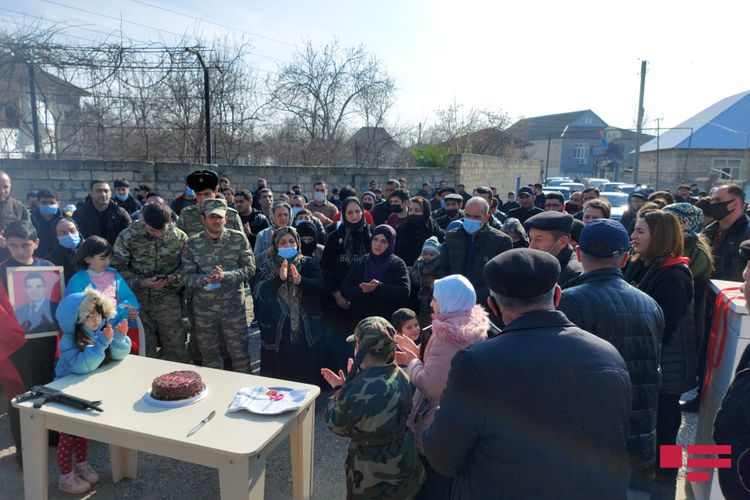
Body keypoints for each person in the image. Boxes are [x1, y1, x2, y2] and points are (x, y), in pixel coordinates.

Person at [425, 248, 631, 499]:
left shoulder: (477, 362)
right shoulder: (608, 354)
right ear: (557, 295)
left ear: (493, 306)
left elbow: (444, 457)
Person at [558, 219, 664, 489]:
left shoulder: (569, 300)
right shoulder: (650, 304)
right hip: (638, 430)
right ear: (625, 257)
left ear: (578, 252)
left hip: (586, 436)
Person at [396, 275, 488, 499]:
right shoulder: (471, 328)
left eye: (436, 299)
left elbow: (430, 385)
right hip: (458, 421)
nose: (431, 303)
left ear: (450, 301)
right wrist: (419, 357)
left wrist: (412, 361)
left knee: (430, 485)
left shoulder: (447, 336)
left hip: (435, 424)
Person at [624, 209, 695, 499]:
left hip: (666, 370)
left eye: (640, 231)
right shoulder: (642, 264)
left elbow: (666, 326)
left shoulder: (674, 274)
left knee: (666, 431)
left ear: (660, 236)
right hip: (650, 364)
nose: (633, 236)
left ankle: (666, 486)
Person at [322, 316, 425, 499]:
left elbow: (335, 423)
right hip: (403, 463)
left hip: (370, 473)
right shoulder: (401, 375)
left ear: (361, 351)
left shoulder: (358, 389)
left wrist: (341, 390)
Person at [53, 287, 131, 494]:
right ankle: (65, 476)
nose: (95, 319)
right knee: (68, 436)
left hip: (86, 392)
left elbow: (116, 357)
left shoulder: (100, 333)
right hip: (67, 395)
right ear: (76, 320)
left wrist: (119, 340)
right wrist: (100, 346)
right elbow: (80, 366)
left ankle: (82, 465)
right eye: (88, 316)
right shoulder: (69, 341)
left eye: (97, 313)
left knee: (83, 433)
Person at [181, 199, 255, 373]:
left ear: (226, 219)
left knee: (240, 355)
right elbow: (185, 277)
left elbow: (250, 269)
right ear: (203, 219)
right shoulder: (192, 243)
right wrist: (204, 279)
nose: (216, 220)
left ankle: (245, 387)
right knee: (209, 357)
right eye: (212, 217)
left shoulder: (238, 239)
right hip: (205, 310)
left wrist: (225, 276)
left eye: (219, 217)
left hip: (233, 308)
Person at [112, 203, 189, 362]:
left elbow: (189, 267)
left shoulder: (180, 237)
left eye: (162, 230)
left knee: (176, 347)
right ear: (143, 221)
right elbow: (116, 269)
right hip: (137, 303)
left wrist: (175, 279)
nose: (159, 235)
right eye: (153, 231)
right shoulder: (128, 236)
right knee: (143, 349)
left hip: (168, 302)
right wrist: (140, 282)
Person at [253, 226, 325, 384]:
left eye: (291, 241)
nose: (288, 245)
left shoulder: (309, 263)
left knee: (305, 377)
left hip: (305, 329)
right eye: (283, 242)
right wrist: (278, 280)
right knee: (279, 380)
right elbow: (260, 293)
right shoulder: (267, 266)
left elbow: (320, 285)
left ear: (298, 243)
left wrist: (301, 281)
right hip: (277, 331)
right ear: (276, 245)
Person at [320, 197, 372, 369]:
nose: (354, 215)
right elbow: (326, 269)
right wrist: (337, 295)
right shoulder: (334, 238)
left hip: (365, 300)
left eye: (357, 211)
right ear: (343, 214)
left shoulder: (371, 236)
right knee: (342, 347)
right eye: (350, 212)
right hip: (339, 301)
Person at [434, 197, 512, 308]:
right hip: (453, 302)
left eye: (476, 217)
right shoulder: (452, 236)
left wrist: (472, 297)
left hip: (485, 306)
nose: (471, 219)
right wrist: (452, 292)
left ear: (486, 217)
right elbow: (440, 269)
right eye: (468, 215)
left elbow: (500, 279)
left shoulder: (501, 241)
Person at [66, 236, 140, 351]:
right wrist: (121, 312)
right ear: (88, 259)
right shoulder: (77, 280)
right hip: (93, 337)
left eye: (109, 258)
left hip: (121, 331)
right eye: (103, 258)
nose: (107, 262)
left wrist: (131, 309)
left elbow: (128, 297)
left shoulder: (114, 275)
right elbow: (77, 311)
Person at [340, 224, 410, 324]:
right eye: (375, 239)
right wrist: (363, 290)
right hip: (361, 321)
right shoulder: (361, 262)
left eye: (383, 241)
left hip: (386, 322)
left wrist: (379, 287)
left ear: (390, 244)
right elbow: (345, 288)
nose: (378, 244)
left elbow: (404, 292)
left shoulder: (397, 264)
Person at [703, 184, 750, 281]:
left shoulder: (747, 233)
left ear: (735, 203)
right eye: (711, 200)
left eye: (718, 200)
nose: (713, 204)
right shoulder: (708, 230)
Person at [176, 170, 243, 237]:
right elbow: (179, 240)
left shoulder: (231, 215)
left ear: (216, 191)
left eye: (207, 194)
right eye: (199, 194)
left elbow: (241, 240)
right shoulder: (187, 214)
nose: (203, 198)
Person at [525, 211, 583, 286]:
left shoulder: (573, 275)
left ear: (562, 242)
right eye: (531, 238)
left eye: (539, 239)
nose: (531, 246)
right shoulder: (539, 264)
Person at [73, 180, 131, 245]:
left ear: (110, 193)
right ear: (91, 193)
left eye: (106, 191)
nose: (103, 194)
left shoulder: (121, 213)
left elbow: (129, 237)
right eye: (99, 191)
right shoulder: (79, 214)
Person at [0, 221, 54, 289]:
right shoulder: (2, 270)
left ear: (36, 243)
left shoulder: (48, 267)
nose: (20, 252)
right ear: (6, 244)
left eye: (25, 246)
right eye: (13, 246)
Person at [395, 196, 442, 266]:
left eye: (417, 210)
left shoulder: (435, 230)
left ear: (425, 213)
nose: (412, 213)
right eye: (410, 210)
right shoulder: (401, 229)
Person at [409, 237, 440, 327]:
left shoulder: (438, 264)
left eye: (431, 254)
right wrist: (420, 279)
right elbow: (414, 273)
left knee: (434, 311)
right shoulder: (419, 262)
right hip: (422, 293)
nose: (428, 256)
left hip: (434, 293)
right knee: (423, 313)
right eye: (425, 254)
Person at [0, 170, 31, 261]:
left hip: (11, 259)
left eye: (5, 187)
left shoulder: (18, 207)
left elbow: (28, 233)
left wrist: (11, 240)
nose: (2, 191)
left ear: (10, 186)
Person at [254, 201, 292, 267]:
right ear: (273, 217)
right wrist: (268, 252)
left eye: (286, 215)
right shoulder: (262, 235)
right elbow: (254, 262)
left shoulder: (296, 233)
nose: (283, 218)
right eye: (279, 215)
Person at [44, 217, 82, 282]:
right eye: (63, 233)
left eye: (72, 231)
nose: (69, 235)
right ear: (56, 236)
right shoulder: (50, 260)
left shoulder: (91, 251)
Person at [30, 188, 63, 257]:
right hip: (37, 259)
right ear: (37, 203)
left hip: (60, 259)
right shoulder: (30, 221)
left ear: (58, 203)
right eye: (44, 202)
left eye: (52, 203)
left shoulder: (65, 221)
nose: (48, 205)